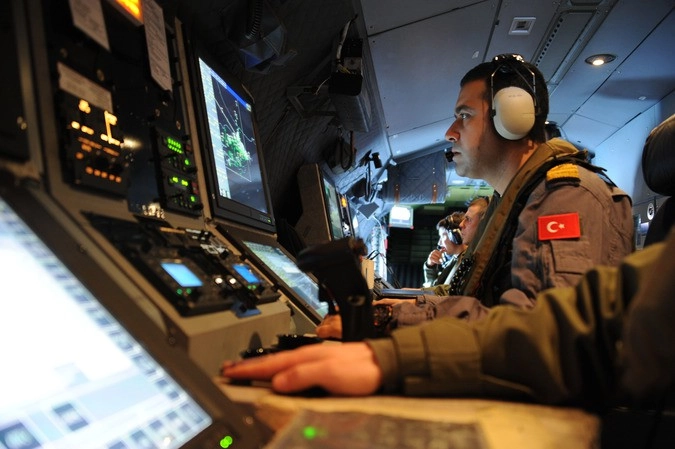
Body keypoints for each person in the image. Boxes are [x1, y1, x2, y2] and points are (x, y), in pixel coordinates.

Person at [314, 54, 634, 339]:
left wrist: (391, 319)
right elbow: (479, 300)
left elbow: (547, 336)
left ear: (511, 118)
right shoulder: (511, 201)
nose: (450, 132)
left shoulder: (568, 198)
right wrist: (394, 310)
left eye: (465, 115)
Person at [422, 211, 465, 287]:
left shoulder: (463, 262)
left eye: (443, 236)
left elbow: (435, 291)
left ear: (455, 236)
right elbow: (434, 287)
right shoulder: (455, 259)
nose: (439, 243)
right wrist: (430, 266)